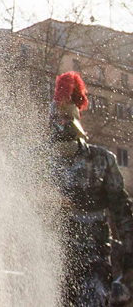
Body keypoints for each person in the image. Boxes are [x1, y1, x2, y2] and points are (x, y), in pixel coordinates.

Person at [51, 71, 133, 307]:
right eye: (59, 116)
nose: (63, 123)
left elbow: (122, 213)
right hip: (54, 262)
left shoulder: (102, 160)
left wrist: (129, 265)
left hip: (93, 262)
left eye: (68, 116)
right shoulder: (43, 162)